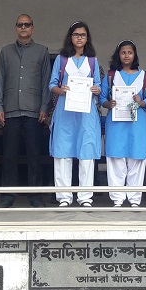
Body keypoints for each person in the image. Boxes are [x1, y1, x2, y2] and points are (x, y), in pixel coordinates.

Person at [0, 14, 51, 208]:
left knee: (34, 154)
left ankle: (36, 196)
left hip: (34, 109)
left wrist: (45, 106)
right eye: (20, 25)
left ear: (32, 28)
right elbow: (0, 79)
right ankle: (8, 196)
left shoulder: (42, 51)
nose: (23, 27)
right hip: (10, 109)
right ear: (16, 28)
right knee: (9, 155)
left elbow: (46, 81)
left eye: (27, 25)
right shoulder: (6, 51)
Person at [48, 22, 102, 207]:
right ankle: (64, 197)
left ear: (87, 38)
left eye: (83, 35)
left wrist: (96, 89)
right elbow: (52, 84)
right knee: (63, 153)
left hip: (86, 113)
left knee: (86, 153)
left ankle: (85, 197)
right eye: (76, 34)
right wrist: (61, 90)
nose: (79, 38)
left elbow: (98, 85)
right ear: (70, 37)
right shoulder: (62, 59)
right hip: (65, 111)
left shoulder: (92, 60)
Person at [100, 40, 146, 207]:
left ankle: (134, 199)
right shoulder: (111, 76)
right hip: (116, 124)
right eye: (123, 52)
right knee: (116, 160)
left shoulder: (145, 77)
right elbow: (102, 98)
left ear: (134, 55)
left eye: (129, 52)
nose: (126, 55)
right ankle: (117, 199)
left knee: (136, 160)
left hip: (137, 124)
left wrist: (141, 101)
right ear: (118, 55)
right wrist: (109, 104)